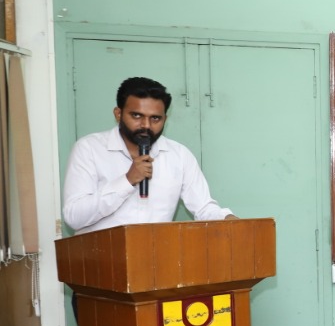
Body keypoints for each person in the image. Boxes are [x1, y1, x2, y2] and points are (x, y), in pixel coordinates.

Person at [63, 77, 235, 233]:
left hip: (156, 253)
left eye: (155, 118)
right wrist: (127, 181)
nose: (146, 125)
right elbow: (74, 217)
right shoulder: (89, 149)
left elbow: (204, 208)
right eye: (137, 116)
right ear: (118, 114)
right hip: (101, 255)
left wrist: (228, 220)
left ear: (165, 119)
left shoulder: (179, 155)